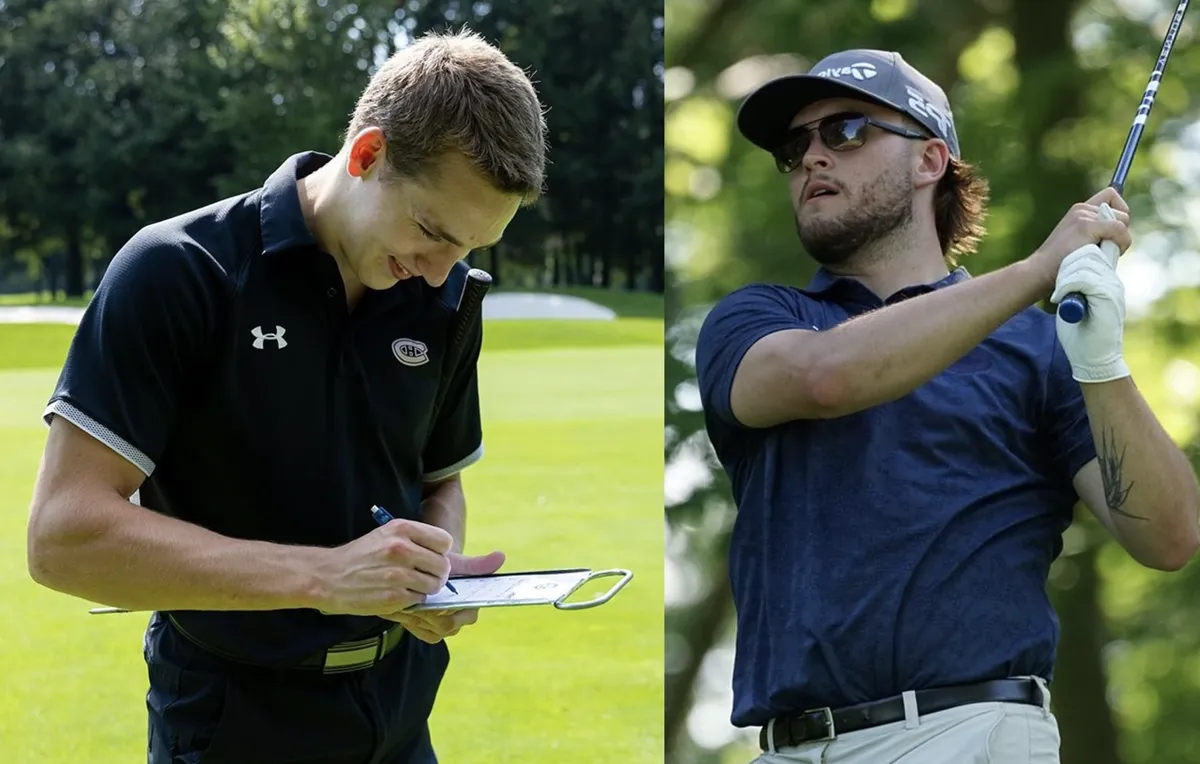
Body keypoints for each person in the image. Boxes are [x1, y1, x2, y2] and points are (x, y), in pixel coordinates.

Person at [25, 28, 546, 764]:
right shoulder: (180, 270)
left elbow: (438, 481)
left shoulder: (447, 297)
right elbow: (62, 538)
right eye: (432, 233)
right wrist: (326, 578)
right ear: (368, 155)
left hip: (401, 715)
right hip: (232, 716)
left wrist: (432, 571)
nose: (439, 273)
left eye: (467, 250)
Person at [694, 48, 1200, 764]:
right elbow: (824, 380)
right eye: (795, 146)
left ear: (930, 160)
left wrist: (1101, 361)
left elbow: (1170, 536)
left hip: (973, 735)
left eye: (844, 131)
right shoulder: (760, 320)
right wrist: (1034, 273)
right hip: (789, 748)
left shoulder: (1036, 348)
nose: (811, 157)